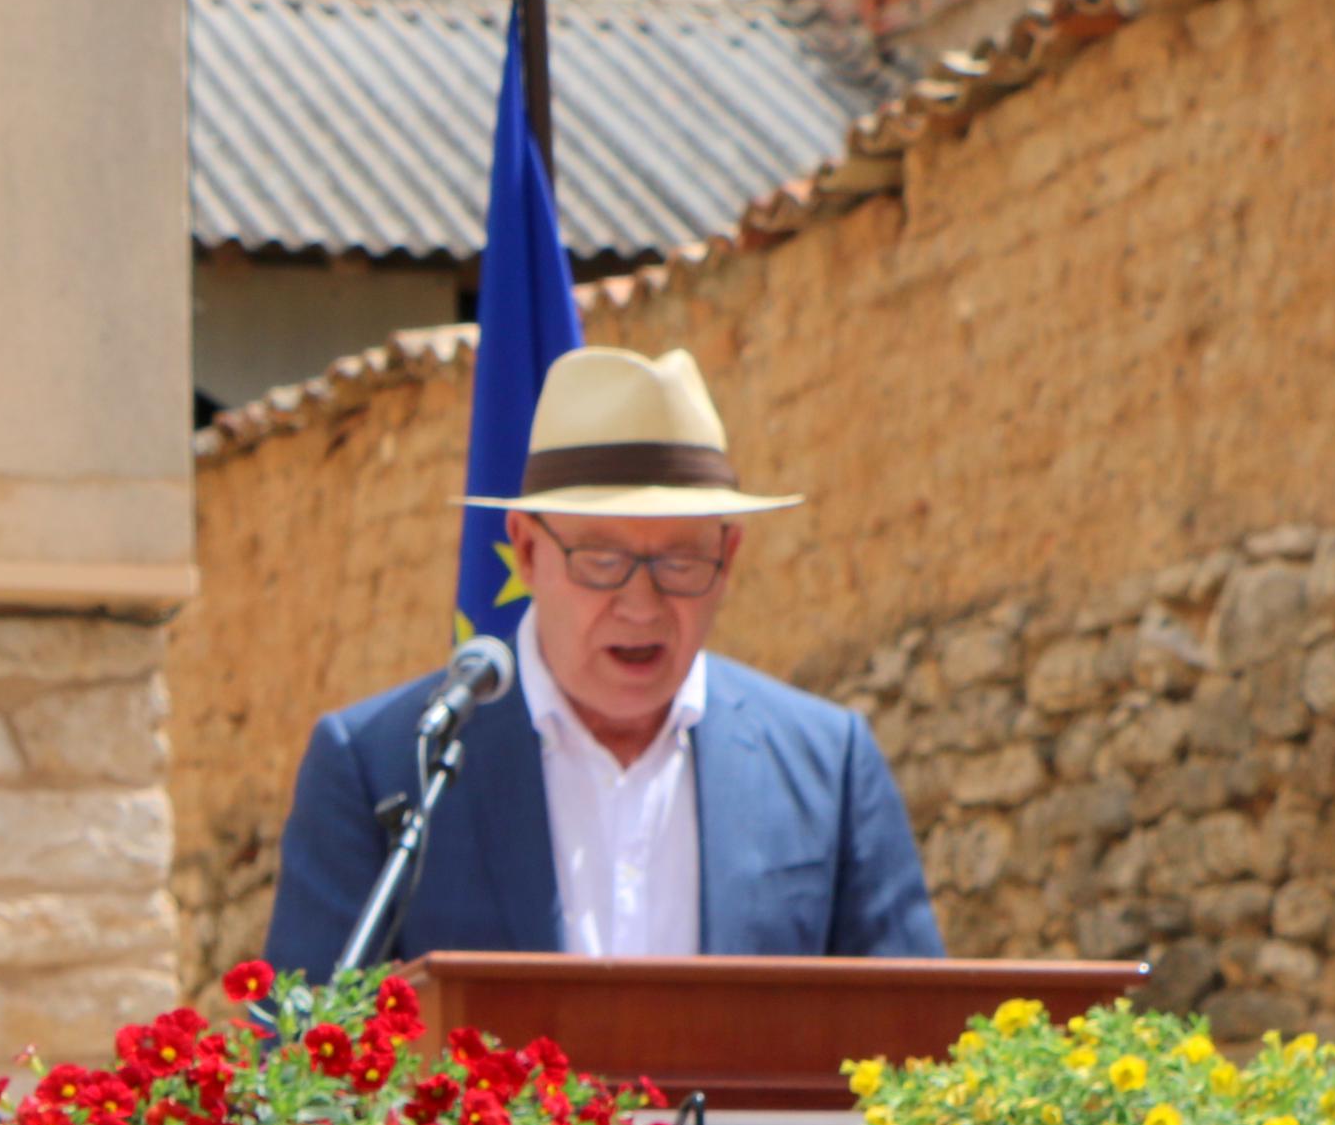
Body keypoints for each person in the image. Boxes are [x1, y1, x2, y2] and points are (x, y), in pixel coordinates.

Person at [262, 347, 941, 976]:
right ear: (526, 552)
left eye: (679, 561)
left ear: (728, 556)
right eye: (602, 560)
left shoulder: (829, 765)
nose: (640, 604)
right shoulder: (381, 766)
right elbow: (302, 1060)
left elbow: (915, 1051)